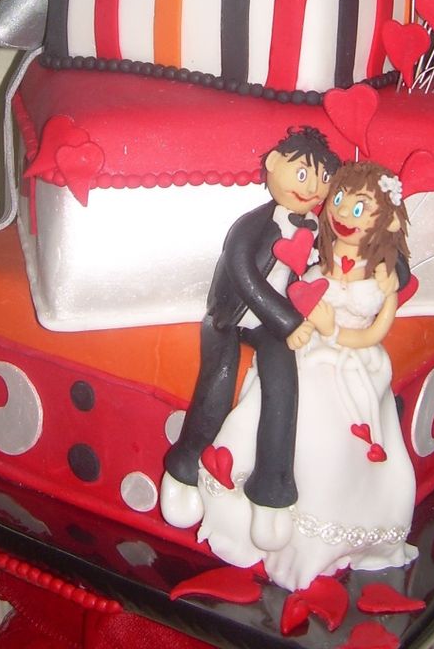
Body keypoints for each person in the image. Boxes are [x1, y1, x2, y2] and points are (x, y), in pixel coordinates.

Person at [194, 160, 419, 592]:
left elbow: (373, 333)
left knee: (327, 442)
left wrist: (333, 330)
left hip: (352, 364)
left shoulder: (382, 281)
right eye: (340, 200)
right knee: (270, 402)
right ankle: (252, 505)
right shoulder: (319, 258)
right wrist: (310, 323)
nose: (342, 212)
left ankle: (311, 537)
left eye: (359, 208)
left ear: (386, 221)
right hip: (308, 350)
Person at [160, 127, 340, 551]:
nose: (311, 188)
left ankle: (273, 488)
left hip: (273, 326)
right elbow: (244, 276)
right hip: (231, 316)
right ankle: (184, 468)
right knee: (219, 377)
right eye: (302, 174)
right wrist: (287, 320)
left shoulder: (315, 229)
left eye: (322, 179)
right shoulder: (250, 225)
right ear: (274, 163)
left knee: (284, 384)